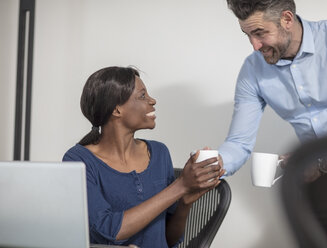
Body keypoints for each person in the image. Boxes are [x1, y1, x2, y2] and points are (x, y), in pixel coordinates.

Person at [218, 0, 327, 246]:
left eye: (260, 33)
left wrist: (322, 160)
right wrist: (214, 165)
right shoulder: (252, 70)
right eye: (247, 35)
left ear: (287, 19)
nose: (254, 46)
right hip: (322, 184)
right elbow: (238, 142)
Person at [63, 66, 224, 247]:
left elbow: (169, 239)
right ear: (116, 110)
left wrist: (185, 202)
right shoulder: (79, 160)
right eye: (142, 96)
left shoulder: (159, 153)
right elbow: (107, 231)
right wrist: (180, 186)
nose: (152, 100)